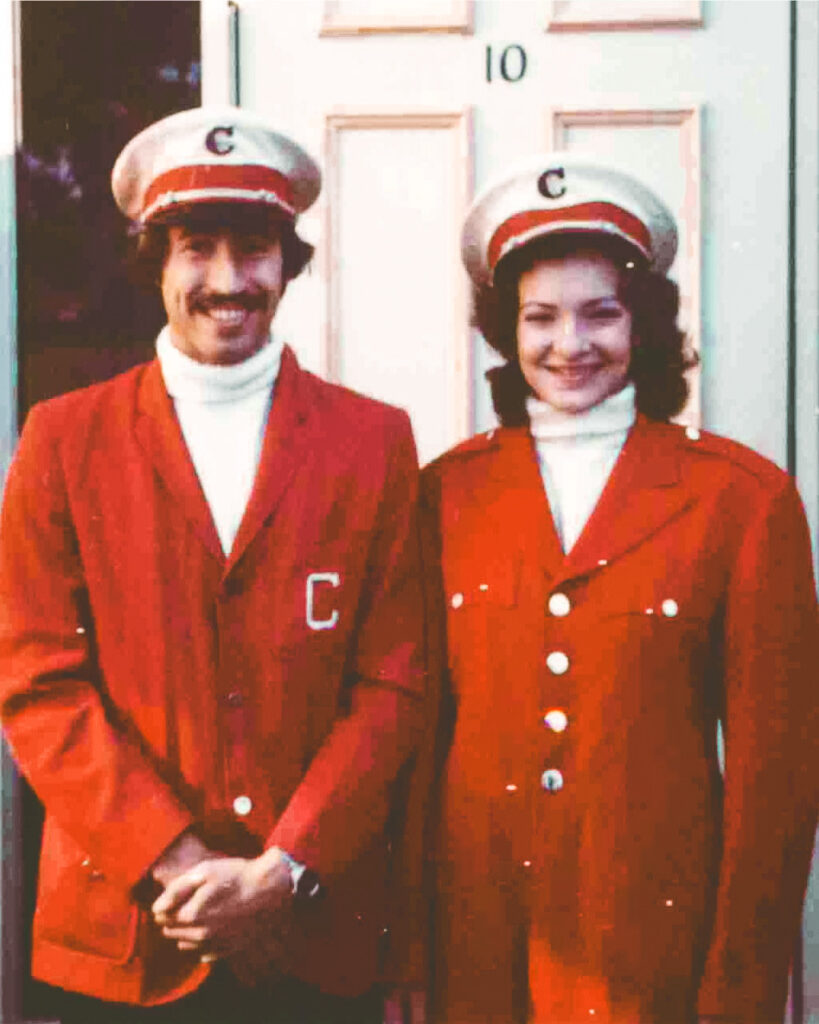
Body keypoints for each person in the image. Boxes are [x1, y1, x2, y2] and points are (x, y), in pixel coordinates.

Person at [0, 105, 428, 1024]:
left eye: (255, 249)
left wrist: (286, 868)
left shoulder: (372, 442)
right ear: (155, 263)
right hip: (127, 932)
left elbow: (394, 682)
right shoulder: (63, 440)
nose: (228, 281)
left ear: (290, 263)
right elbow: (37, 682)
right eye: (197, 248)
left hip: (314, 937)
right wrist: (178, 861)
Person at [421, 153, 818, 1023]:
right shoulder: (440, 495)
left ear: (642, 324)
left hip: (651, 956)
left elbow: (774, 783)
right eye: (540, 317)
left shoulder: (739, 498)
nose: (570, 345)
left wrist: (738, 991)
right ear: (504, 329)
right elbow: (412, 743)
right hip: (474, 950)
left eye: (601, 313)